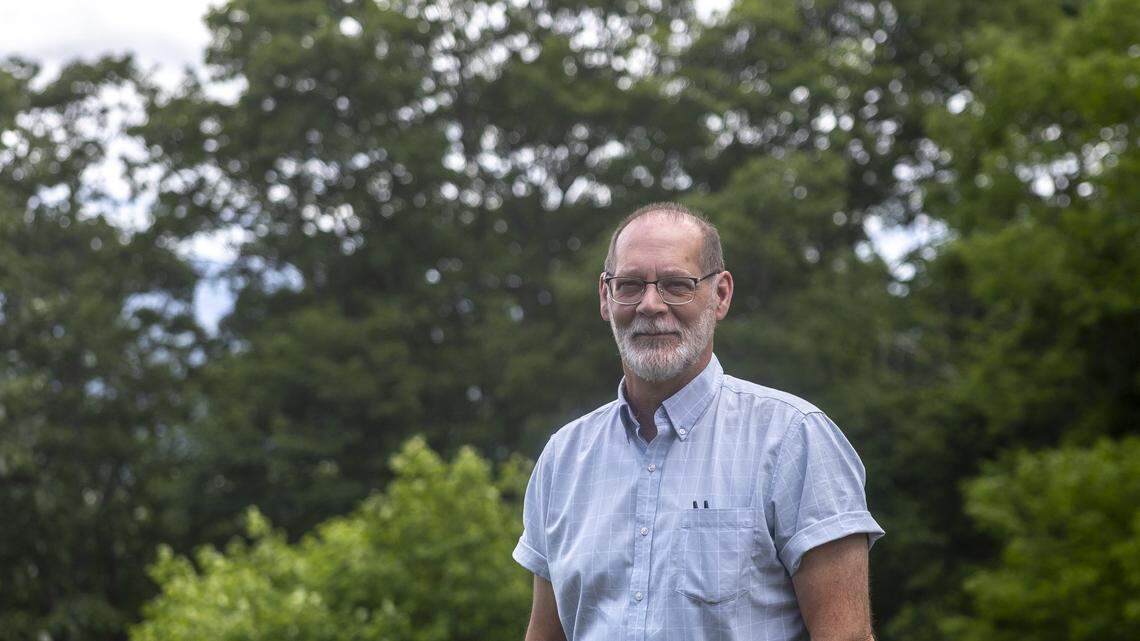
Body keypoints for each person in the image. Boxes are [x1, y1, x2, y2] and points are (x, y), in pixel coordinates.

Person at [512, 202, 885, 641]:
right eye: (630, 285)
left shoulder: (794, 439)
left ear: (721, 294)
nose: (650, 305)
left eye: (676, 284)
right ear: (604, 297)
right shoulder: (564, 459)